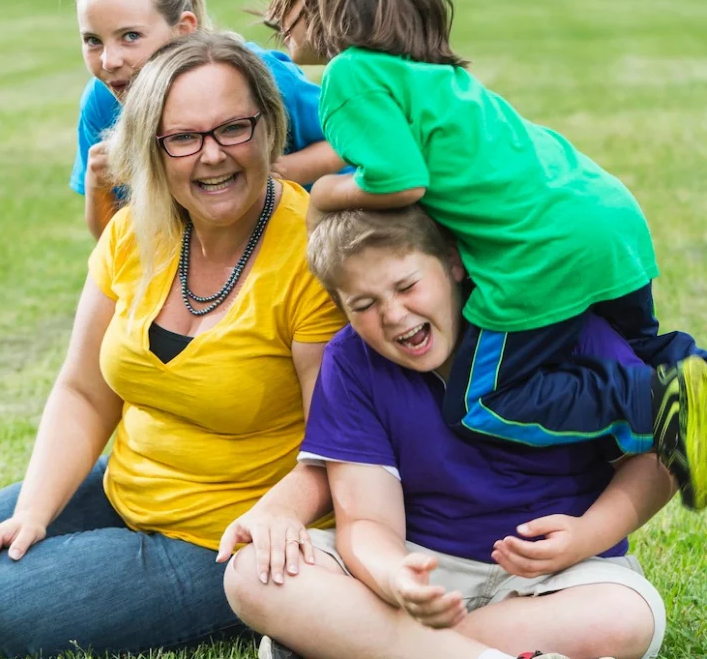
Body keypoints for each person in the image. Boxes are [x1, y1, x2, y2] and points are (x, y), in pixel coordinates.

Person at [0, 33, 346, 657]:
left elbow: (341, 443)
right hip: (126, 486)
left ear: (269, 127)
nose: (213, 156)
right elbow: (84, 391)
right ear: (152, 148)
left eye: (234, 128)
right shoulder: (134, 233)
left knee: (5, 606)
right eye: (183, 138)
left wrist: (278, 519)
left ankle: (253, 601)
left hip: (230, 534)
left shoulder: (310, 255)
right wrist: (35, 512)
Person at [264, 0, 707, 509]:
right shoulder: (428, 73)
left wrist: (324, 193)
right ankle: (690, 378)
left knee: (485, 400)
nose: (274, 12)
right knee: (633, 347)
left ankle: (659, 403)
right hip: (608, 219)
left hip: (540, 253)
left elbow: (399, 183)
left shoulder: (350, 73)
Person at [224, 207, 672, 659]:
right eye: (363, 305)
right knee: (253, 576)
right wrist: (394, 576)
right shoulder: (352, 362)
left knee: (628, 616)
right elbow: (366, 521)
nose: (394, 315)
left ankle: (356, 644)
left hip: (555, 581)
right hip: (420, 567)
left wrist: (588, 534)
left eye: (407, 286)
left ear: (453, 264)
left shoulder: (560, 333)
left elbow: (659, 457)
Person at [62, 0, 345, 239]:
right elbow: (112, 246)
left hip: (322, 234)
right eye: (93, 40)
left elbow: (348, 140)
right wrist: (98, 184)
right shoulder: (102, 101)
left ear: (183, 29)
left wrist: (272, 170)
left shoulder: (257, 77)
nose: (109, 60)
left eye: (130, 36)